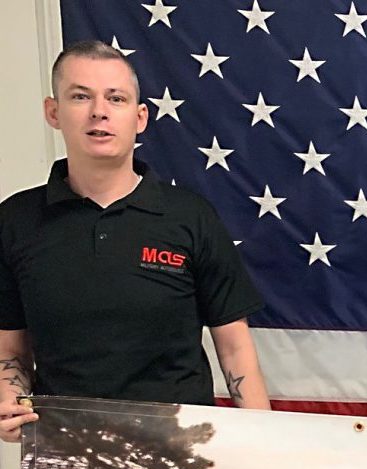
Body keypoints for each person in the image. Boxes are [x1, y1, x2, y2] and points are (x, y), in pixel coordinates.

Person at [0, 40, 270, 443]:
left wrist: (267, 443)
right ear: (53, 112)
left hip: (184, 454)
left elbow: (234, 348)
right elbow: (11, 349)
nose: (99, 112)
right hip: (65, 460)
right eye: (80, 96)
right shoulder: (16, 219)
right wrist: (9, 401)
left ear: (140, 117)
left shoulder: (190, 216)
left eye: (116, 98)